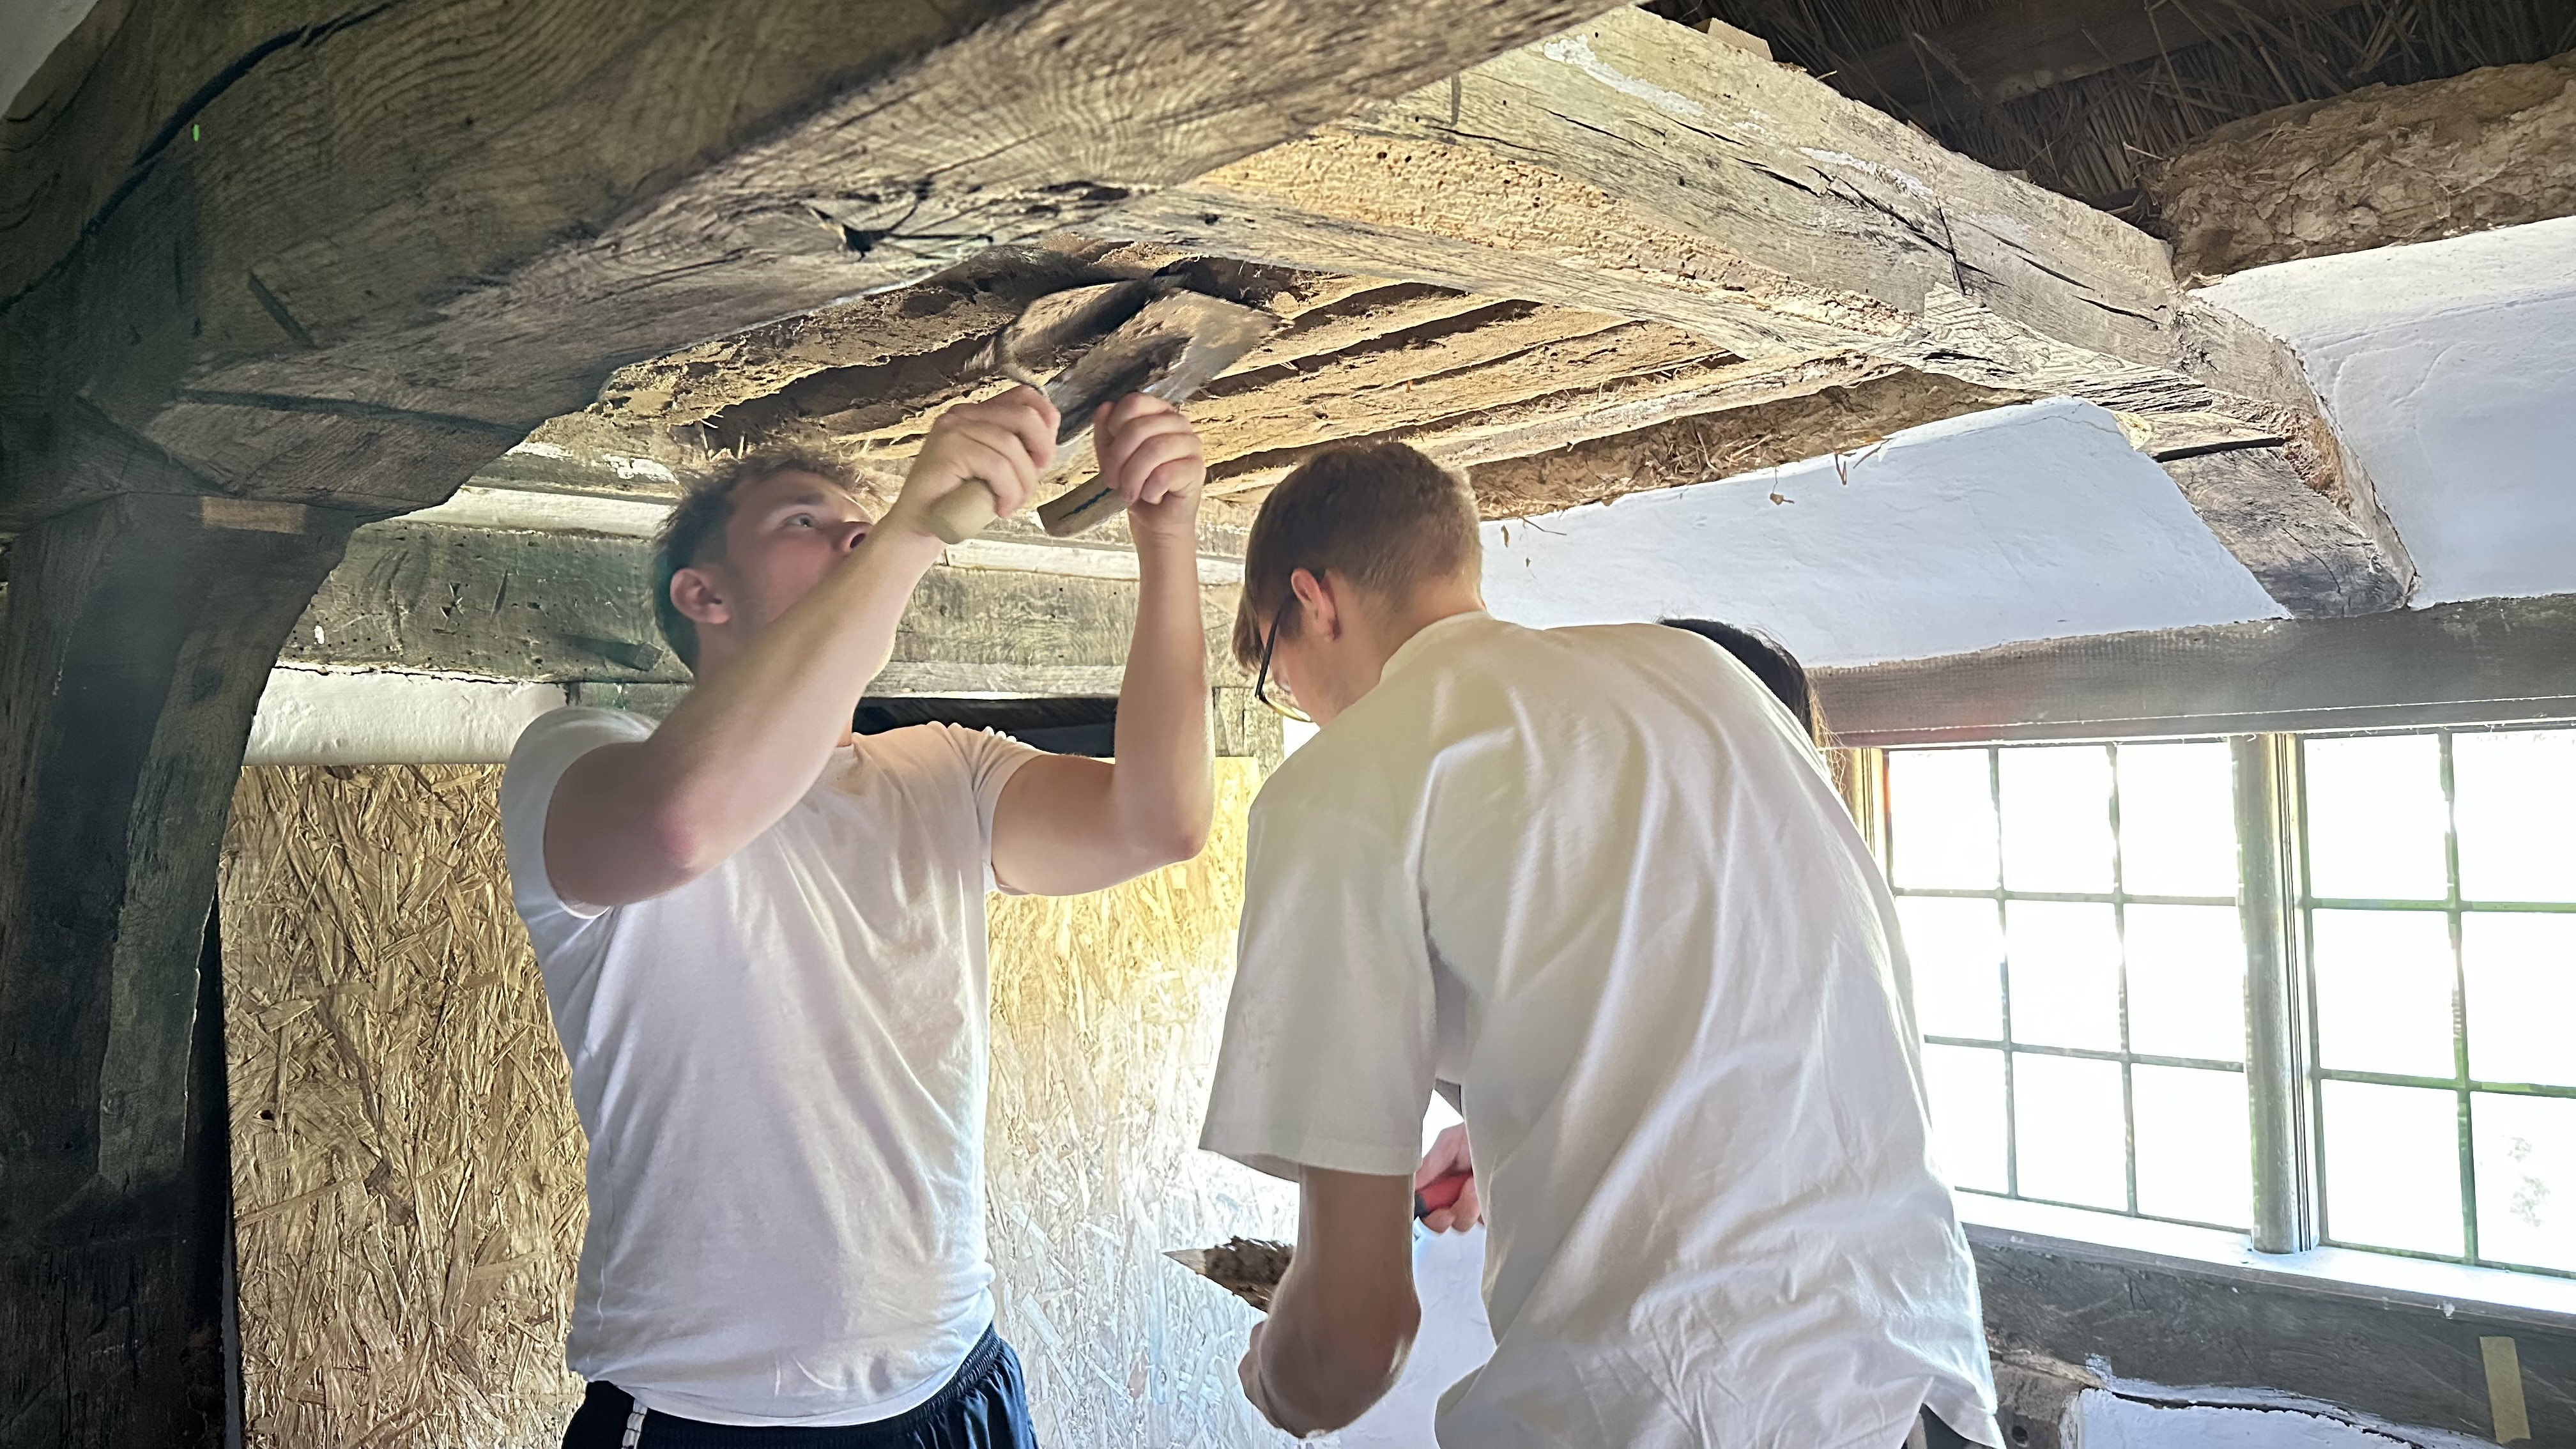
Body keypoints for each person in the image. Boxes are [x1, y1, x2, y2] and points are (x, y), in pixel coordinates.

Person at [1200, 441, 2000, 1448]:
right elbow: (1720, 976)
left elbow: (1351, 1344)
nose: (1303, 706)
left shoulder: (1342, 783)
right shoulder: (1703, 678)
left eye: (1277, 672)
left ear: (1312, 603)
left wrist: (1280, 1377)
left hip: (1675, 1410)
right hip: (1916, 1383)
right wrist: (1520, 1135)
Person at [501, 388, 1216, 1447]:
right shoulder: (578, 759)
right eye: (804, 520)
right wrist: (910, 531)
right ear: (703, 594)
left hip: (951, 1381)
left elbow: (1158, 821)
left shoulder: (944, 770)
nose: (854, 532)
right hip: (712, 1413)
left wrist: (1168, 536)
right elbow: (682, 828)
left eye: (860, 520)